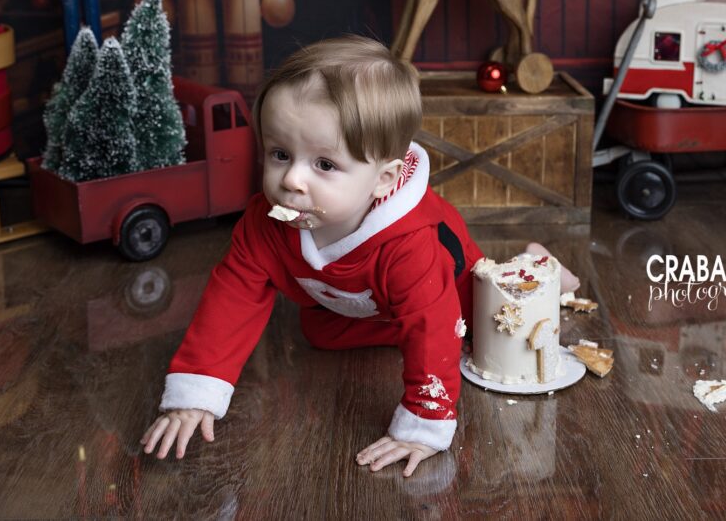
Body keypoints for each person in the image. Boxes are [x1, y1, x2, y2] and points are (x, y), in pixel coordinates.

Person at [140, 36, 579, 476]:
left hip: (448, 287)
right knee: (320, 332)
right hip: (353, 301)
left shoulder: (410, 247)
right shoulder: (265, 224)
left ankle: (539, 270)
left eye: (324, 165)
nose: (292, 179)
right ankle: (394, 319)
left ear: (384, 179)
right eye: (279, 154)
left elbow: (432, 329)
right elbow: (233, 296)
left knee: (482, 326)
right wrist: (196, 393)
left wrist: (422, 425)